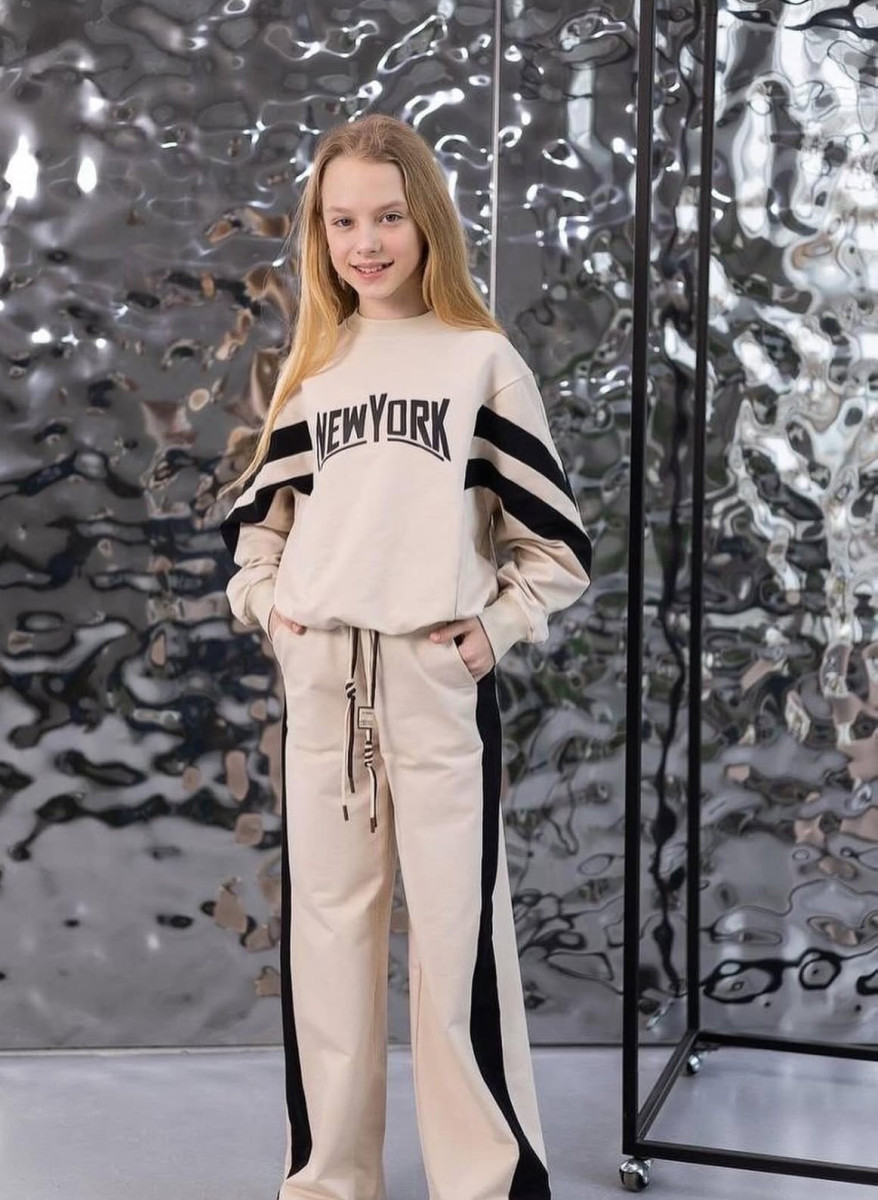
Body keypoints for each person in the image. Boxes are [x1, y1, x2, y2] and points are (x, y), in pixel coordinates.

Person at [219, 113, 592, 1200]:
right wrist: (275, 616)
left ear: (426, 220)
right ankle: (327, 1184)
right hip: (324, 687)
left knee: (456, 945)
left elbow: (556, 546)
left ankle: (484, 1184)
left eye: (386, 216)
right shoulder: (314, 368)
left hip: (434, 685)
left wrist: (493, 631)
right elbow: (259, 538)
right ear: (319, 235)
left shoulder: (481, 362)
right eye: (342, 222)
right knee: (326, 946)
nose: (365, 242)